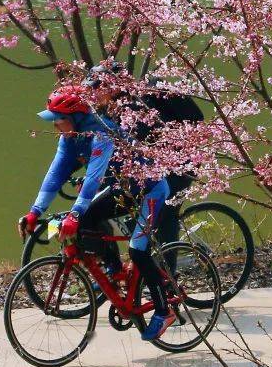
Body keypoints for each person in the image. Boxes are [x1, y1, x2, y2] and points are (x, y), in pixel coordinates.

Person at [17, 85, 175, 341]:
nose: (55, 125)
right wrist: (35, 212)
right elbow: (54, 175)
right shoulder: (69, 138)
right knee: (88, 220)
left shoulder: (102, 134)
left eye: (59, 120)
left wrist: (75, 213)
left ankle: (163, 310)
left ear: (76, 118)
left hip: (150, 190)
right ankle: (114, 269)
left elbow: (93, 179)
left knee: (137, 250)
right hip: (121, 188)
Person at [83, 63, 205, 252]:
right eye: (92, 88)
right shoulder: (108, 110)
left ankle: (168, 277)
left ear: (115, 84)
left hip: (179, 165)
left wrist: (175, 147)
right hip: (146, 170)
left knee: (165, 214)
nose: (94, 94)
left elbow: (197, 118)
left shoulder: (151, 92)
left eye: (98, 87)